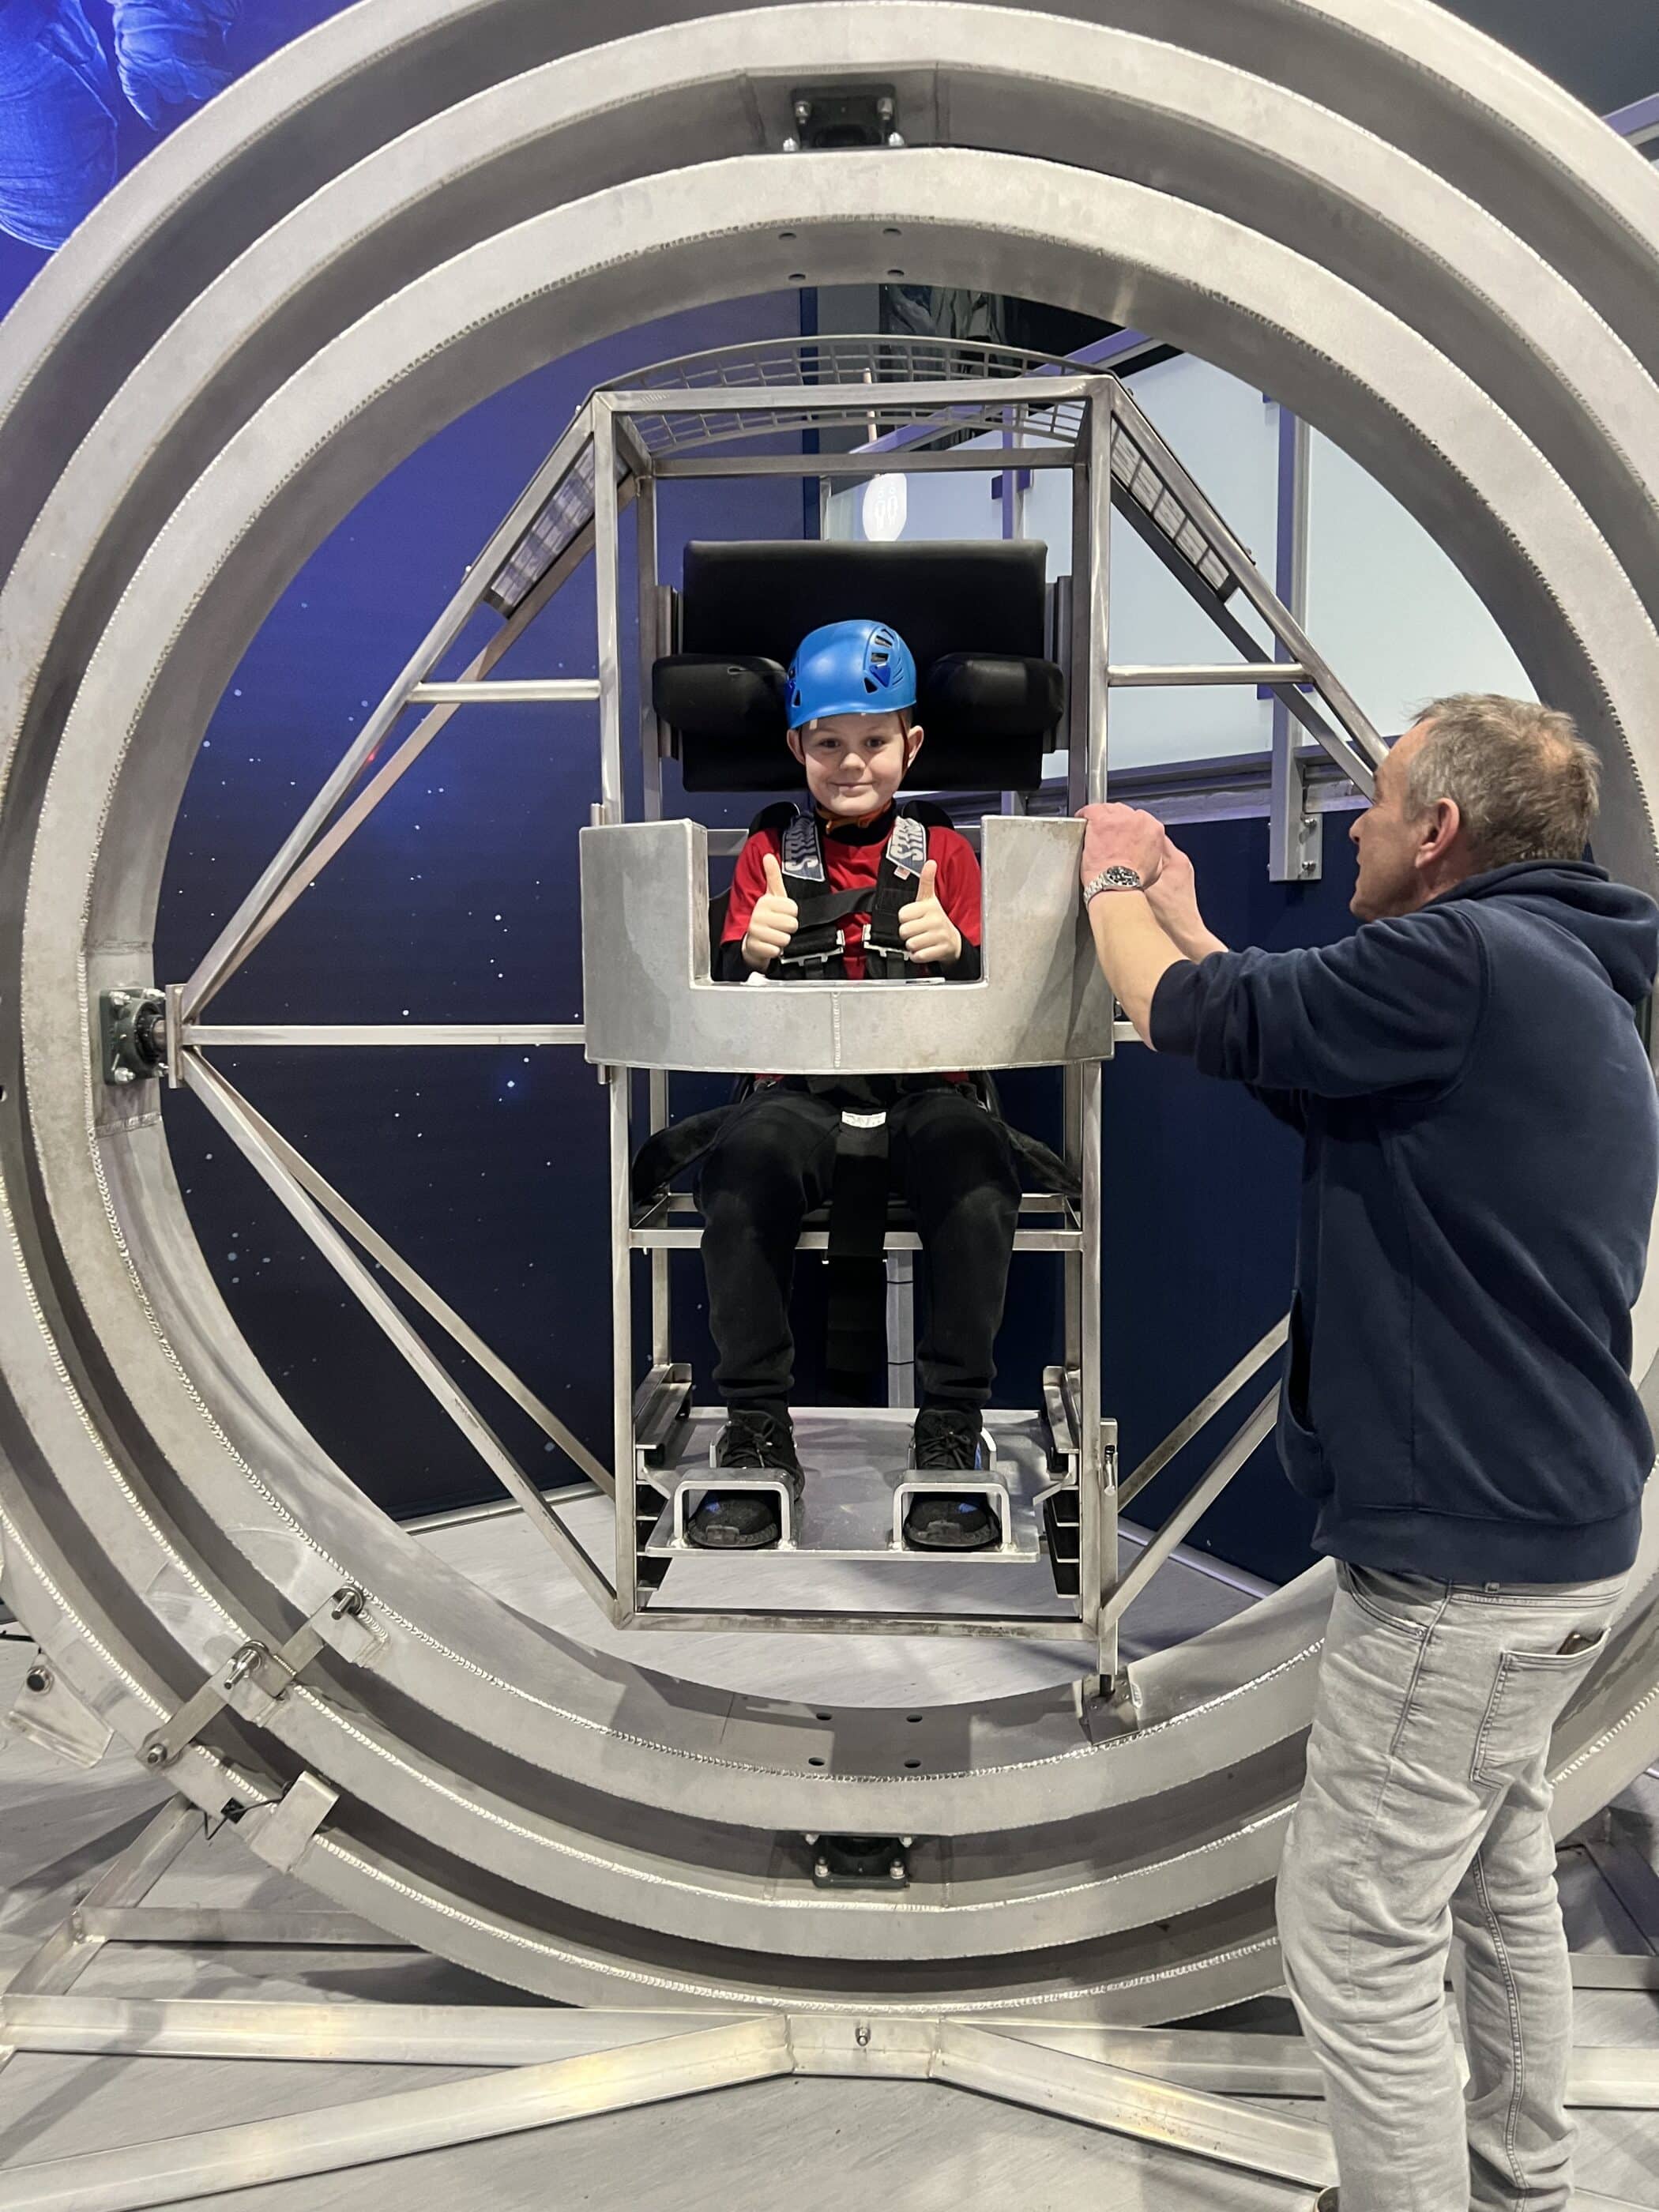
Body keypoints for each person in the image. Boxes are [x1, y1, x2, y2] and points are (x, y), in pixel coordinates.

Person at [1074, 694, 1658, 2212]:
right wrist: (1190, 921)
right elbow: (1285, 1046)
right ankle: (1519, 2181)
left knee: (1355, 1933)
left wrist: (1110, 883)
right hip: (1558, 1534)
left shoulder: (1454, 958)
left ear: (1442, 833)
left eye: (1379, 800)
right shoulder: (1555, 972)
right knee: (1497, 1877)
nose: (1354, 824)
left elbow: (1197, 1021)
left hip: (1458, 1564)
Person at [684, 615, 1028, 1553]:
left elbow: (1006, 997)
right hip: (797, 1089)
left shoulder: (946, 856)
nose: (851, 763)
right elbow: (718, 1001)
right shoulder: (767, 853)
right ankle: (755, 1428)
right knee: (739, 1167)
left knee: (978, 1168)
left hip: (927, 1090)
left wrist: (961, 954)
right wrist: (737, 951)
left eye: (874, 742)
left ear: (910, 745)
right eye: (828, 744)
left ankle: (952, 1421)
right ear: (797, 746)